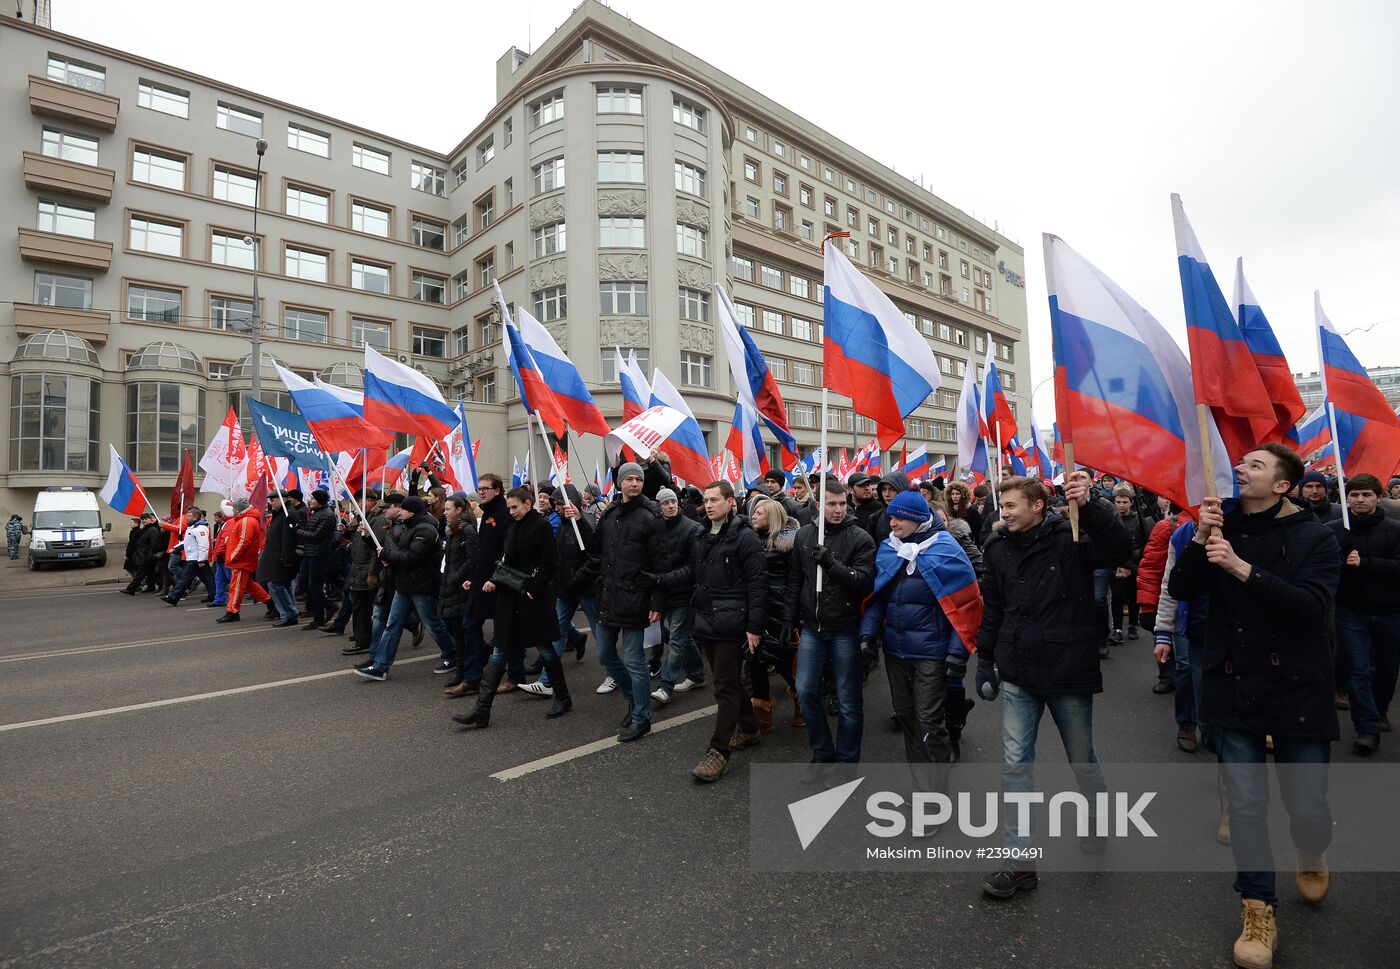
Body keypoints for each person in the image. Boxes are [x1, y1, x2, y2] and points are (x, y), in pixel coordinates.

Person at [1168, 443, 1340, 969]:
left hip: (1297, 687)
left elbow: (1312, 608)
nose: (1240, 468)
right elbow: (1183, 587)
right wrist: (1200, 540)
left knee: (1305, 804)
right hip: (1233, 683)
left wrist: (1243, 570)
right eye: (1241, 463)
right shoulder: (1222, 525)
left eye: (1255, 465)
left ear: (1283, 485)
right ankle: (1258, 909)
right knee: (1244, 808)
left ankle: (1312, 847)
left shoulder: (1317, 536)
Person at [977, 474, 1129, 899]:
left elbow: (1120, 551)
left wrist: (1093, 504)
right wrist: (984, 660)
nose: (1003, 512)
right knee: (1014, 765)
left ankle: (1097, 817)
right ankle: (1020, 863)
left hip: (1067, 668)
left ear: (1038, 505)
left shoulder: (1073, 538)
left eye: (1010, 505)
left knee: (1081, 757)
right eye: (1001, 506)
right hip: (1018, 670)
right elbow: (995, 608)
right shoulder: (997, 547)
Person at [862, 491, 982, 798]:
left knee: (929, 721)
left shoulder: (945, 549)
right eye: (891, 516)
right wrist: (868, 634)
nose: (892, 522)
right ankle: (921, 785)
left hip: (932, 652)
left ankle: (934, 795)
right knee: (906, 717)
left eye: (898, 517)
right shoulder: (889, 549)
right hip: (895, 651)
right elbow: (879, 597)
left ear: (916, 519)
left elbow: (965, 603)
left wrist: (957, 651)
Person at [653, 480, 768, 781]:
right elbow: (693, 572)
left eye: (715, 499)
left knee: (724, 686)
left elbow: (758, 585)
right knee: (727, 680)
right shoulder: (702, 535)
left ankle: (718, 752)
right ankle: (750, 727)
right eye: (706, 500)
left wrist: (754, 626)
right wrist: (661, 580)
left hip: (733, 624)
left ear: (731, 503)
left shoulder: (746, 539)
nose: (709, 505)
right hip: (705, 620)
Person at [786, 479, 876, 782]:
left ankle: (848, 763)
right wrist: (789, 620)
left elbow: (864, 582)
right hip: (812, 627)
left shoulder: (860, 538)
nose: (838, 510)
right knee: (806, 691)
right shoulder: (804, 535)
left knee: (848, 700)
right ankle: (823, 755)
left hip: (845, 629)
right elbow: (795, 581)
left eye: (842, 504)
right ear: (818, 504)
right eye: (831, 504)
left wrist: (833, 564)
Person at [454, 486, 568, 725]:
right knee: (499, 650)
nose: (512, 511)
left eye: (515, 507)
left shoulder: (542, 527)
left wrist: (532, 589)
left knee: (545, 648)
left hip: (532, 600)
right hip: (509, 597)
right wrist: (495, 580)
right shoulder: (512, 526)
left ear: (528, 503)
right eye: (509, 508)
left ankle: (563, 697)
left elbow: (551, 564)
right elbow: (507, 560)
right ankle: (482, 709)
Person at [579, 461, 664, 742]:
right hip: (608, 595)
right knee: (604, 653)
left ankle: (642, 717)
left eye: (638, 480)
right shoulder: (611, 513)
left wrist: (657, 601)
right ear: (619, 483)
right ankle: (633, 698)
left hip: (636, 597)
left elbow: (659, 563)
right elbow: (595, 549)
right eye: (628, 479)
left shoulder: (650, 515)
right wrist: (579, 520)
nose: (634, 484)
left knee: (635, 660)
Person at [1327, 473, 1400, 753]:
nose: (1359, 500)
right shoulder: (1336, 529)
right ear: (1346, 498)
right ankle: (1366, 728)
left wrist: (1365, 563)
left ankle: (1379, 710)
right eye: (1354, 495)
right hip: (1350, 610)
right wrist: (1339, 560)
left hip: (1390, 610)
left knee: (1385, 669)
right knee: (1358, 670)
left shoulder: (1395, 530)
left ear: (1378, 497)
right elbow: (1325, 566)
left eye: (1366, 495)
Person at [356, 496, 454, 681]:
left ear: (412, 511)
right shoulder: (409, 527)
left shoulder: (425, 530)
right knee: (392, 625)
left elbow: (411, 557)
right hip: (405, 585)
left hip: (421, 586)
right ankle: (380, 667)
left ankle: (453, 653)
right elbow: (396, 553)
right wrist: (380, 549)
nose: (399, 511)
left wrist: (389, 555)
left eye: (403, 509)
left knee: (433, 624)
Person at [745, 497, 800, 731]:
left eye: (759, 512)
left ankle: (802, 703)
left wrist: (791, 616)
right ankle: (762, 718)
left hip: (781, 611)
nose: (754, 516)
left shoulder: (788, 544)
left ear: (773, 516)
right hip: (756, 609)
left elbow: (796, 581)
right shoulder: (749, 540)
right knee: (755, 663)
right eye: (754, 512)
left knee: (785, 663)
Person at [650, 487, 706, 705]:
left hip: (686, 592)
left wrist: (664, 579)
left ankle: (665, 686)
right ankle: (697, 674)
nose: (671, 505)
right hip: (664, 592)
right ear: (659, 506)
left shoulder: (692, 528)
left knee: (676, 639)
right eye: (665, 503)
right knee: (682, 636)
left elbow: (694, 567)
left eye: (673, 501)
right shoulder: (655, 528)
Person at [468, 474, 519, 690]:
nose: (481, 492)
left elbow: (507, 550)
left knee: (506, 630)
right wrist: (472, 577)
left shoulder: (504, 513)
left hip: (499, 581)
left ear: (497, 491)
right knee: (470, 623)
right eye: (479, 488)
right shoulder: (486, 512)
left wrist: (497, 578)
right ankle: (472, 676)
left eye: (486, 488)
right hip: (481, 579)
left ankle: (516, 676)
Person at [1137, 498, 1190, 696]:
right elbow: (1151, 567)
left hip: (1198, 606)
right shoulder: (1168, 526)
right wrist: (1148, 606)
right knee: (1168, 645)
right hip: (1169, 599)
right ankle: (1167, 676)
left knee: (1189, 664)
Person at [215, 498, 271, 622]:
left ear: (238, 509)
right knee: (249, 586)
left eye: (234, 508)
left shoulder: (246, 520)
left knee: (236, 588)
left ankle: (232, 611)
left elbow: (244, 541)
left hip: (242, 561)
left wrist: (233, 555)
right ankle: (270, 603)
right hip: (242, 560)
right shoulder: (244, 519)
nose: (232, 510)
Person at [1110, 485, 1151, 644]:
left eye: (1124, 502)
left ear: (1131, 502)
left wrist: (1130, 565)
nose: (1121, 505)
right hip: (1115, 565)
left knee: (1134, 596)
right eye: (1118, 501)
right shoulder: (1111, 519)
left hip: (1134, 565)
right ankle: (1118, 629)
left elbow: (1142, 544)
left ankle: (1133, 625)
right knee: (1117, 596)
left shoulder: (1140, 520)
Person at [293, 490, 337, 630]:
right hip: (309, 553)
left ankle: (320, 616)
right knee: (304, 584)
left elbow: (316, 535)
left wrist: (296, 530)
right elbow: (309, 530)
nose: (310, 501)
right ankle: (326, 606)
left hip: (319, 555)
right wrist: (296, 526)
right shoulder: (316, 513)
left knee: (314, 587)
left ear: (320, 500)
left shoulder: (327, 515)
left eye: (312, 498)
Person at [259, 492, 301, 626]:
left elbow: (289, 538)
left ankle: (288, 613)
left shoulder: (289, 513)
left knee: (276, 585)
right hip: (276, 556)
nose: (270, 502)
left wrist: (286, 557)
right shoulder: (280, 514)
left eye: (273, 499)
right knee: (283, 585)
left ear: (282, 499)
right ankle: (290, 613)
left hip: (281, 557)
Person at [163, 507, 213, 604]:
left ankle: (173, 597)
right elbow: (186, 541)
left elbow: (204, 545)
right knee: (207, 579)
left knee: (185, 578)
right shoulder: (192, 527)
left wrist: (201, 560)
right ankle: (213, 595)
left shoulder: (200, 528)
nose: (186, 518)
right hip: (194, 558)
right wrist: (176, 547)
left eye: (189, 516)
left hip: (196, 559)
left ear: (195, 517)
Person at [119, 512, 163, 595]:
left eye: (146, 519)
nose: (144, 521)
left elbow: (154, 545)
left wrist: (150, 554)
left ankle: (131, 589)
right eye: (142, 519)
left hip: (147, 556)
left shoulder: (152, 530)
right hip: (143, 555)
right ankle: (162, 586)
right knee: (151, 573)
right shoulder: (145, 530)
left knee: (140, 573)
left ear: (150, 520)